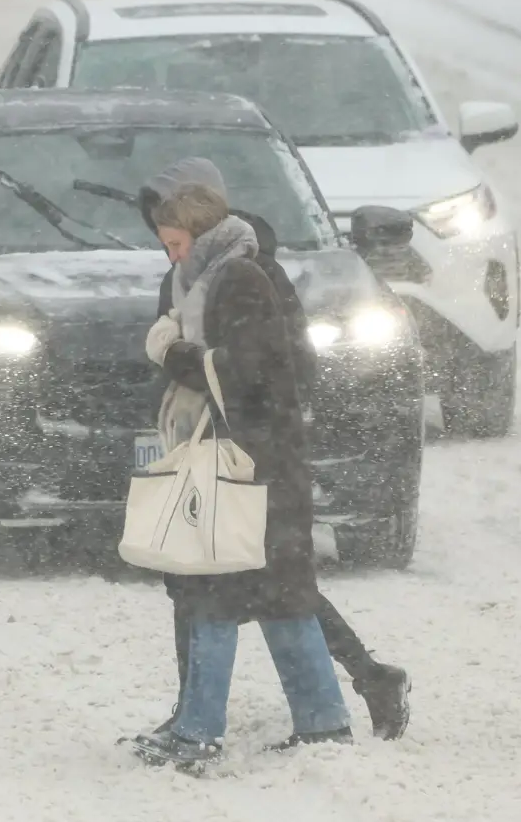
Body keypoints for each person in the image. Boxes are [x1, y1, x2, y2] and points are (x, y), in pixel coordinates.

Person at [140, 159, 411, 742]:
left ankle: (198, 726)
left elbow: (265, 367)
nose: (169, 256)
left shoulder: (241, 276)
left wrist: (176, 356)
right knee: (274, 591)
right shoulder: (194, 277)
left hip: (248, 458)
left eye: (175, 241)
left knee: (219, 591)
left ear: (201, 223)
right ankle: (331, 711)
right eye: (163, 243)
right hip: (227, 452)